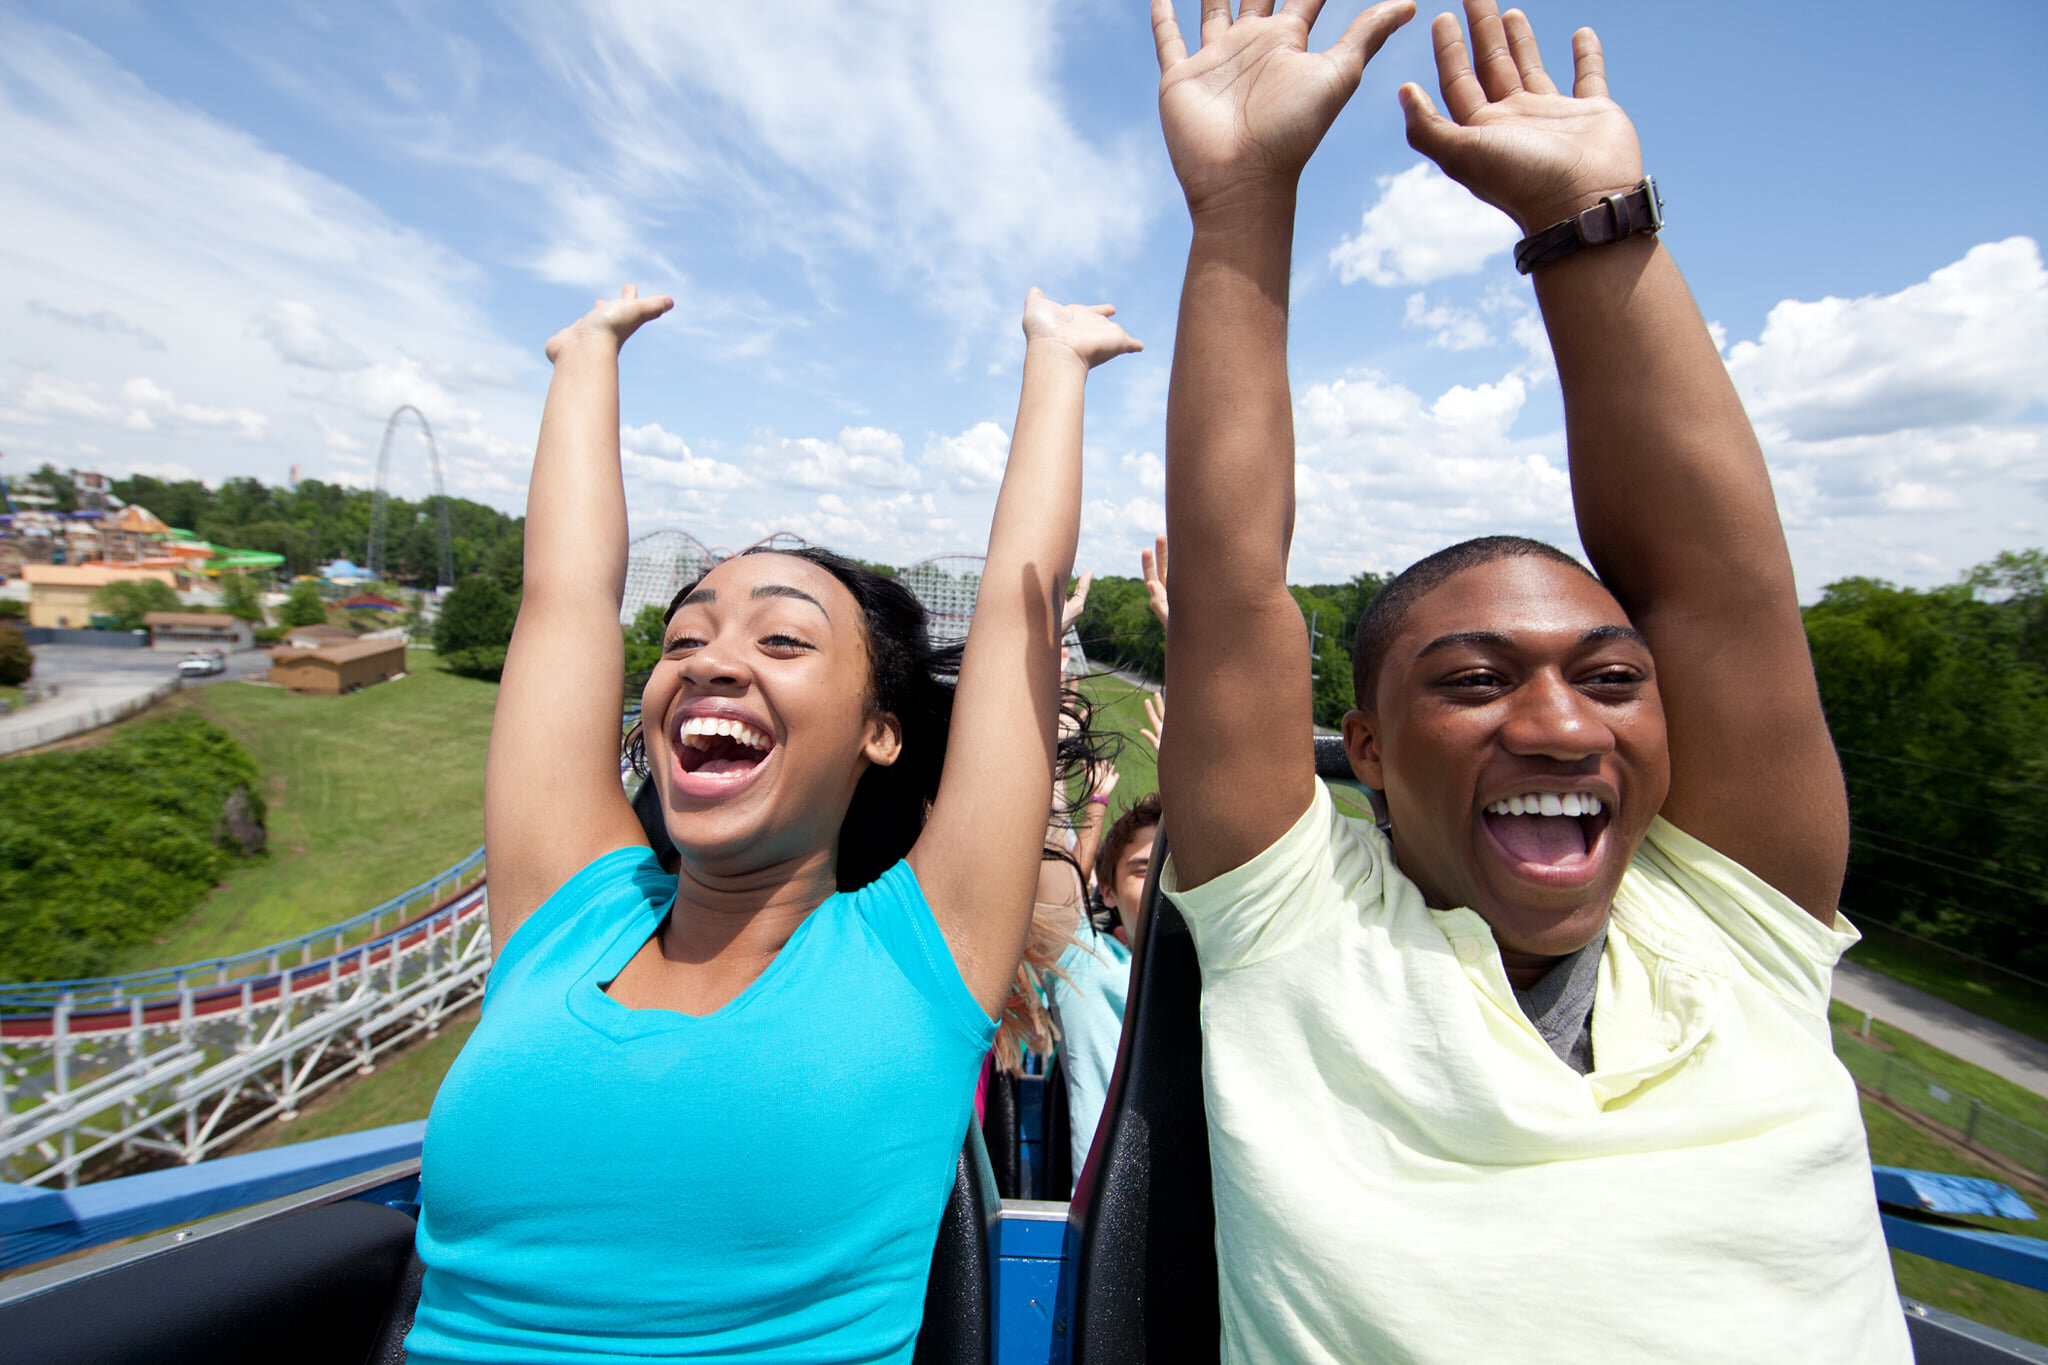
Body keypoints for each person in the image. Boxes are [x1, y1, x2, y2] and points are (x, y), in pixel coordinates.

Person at [1151, 2, 1908, 1361]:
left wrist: (1589, 217)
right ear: (1365, 748)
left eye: (1611, 679)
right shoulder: (1295, 927)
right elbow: (1228, 583)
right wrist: (1243, 198)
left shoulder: (1736, 921)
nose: (1560, 726)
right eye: (1474, 681)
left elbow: (1719, 588)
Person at [405, 284, 1139, 1362]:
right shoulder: (568, 917)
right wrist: (585, 358)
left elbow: (1012, 628)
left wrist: (1056, 364)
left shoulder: (919, 957)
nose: (711, 659)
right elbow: (563, 599)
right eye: (683, 640)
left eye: (782, 641)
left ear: (879, 732)